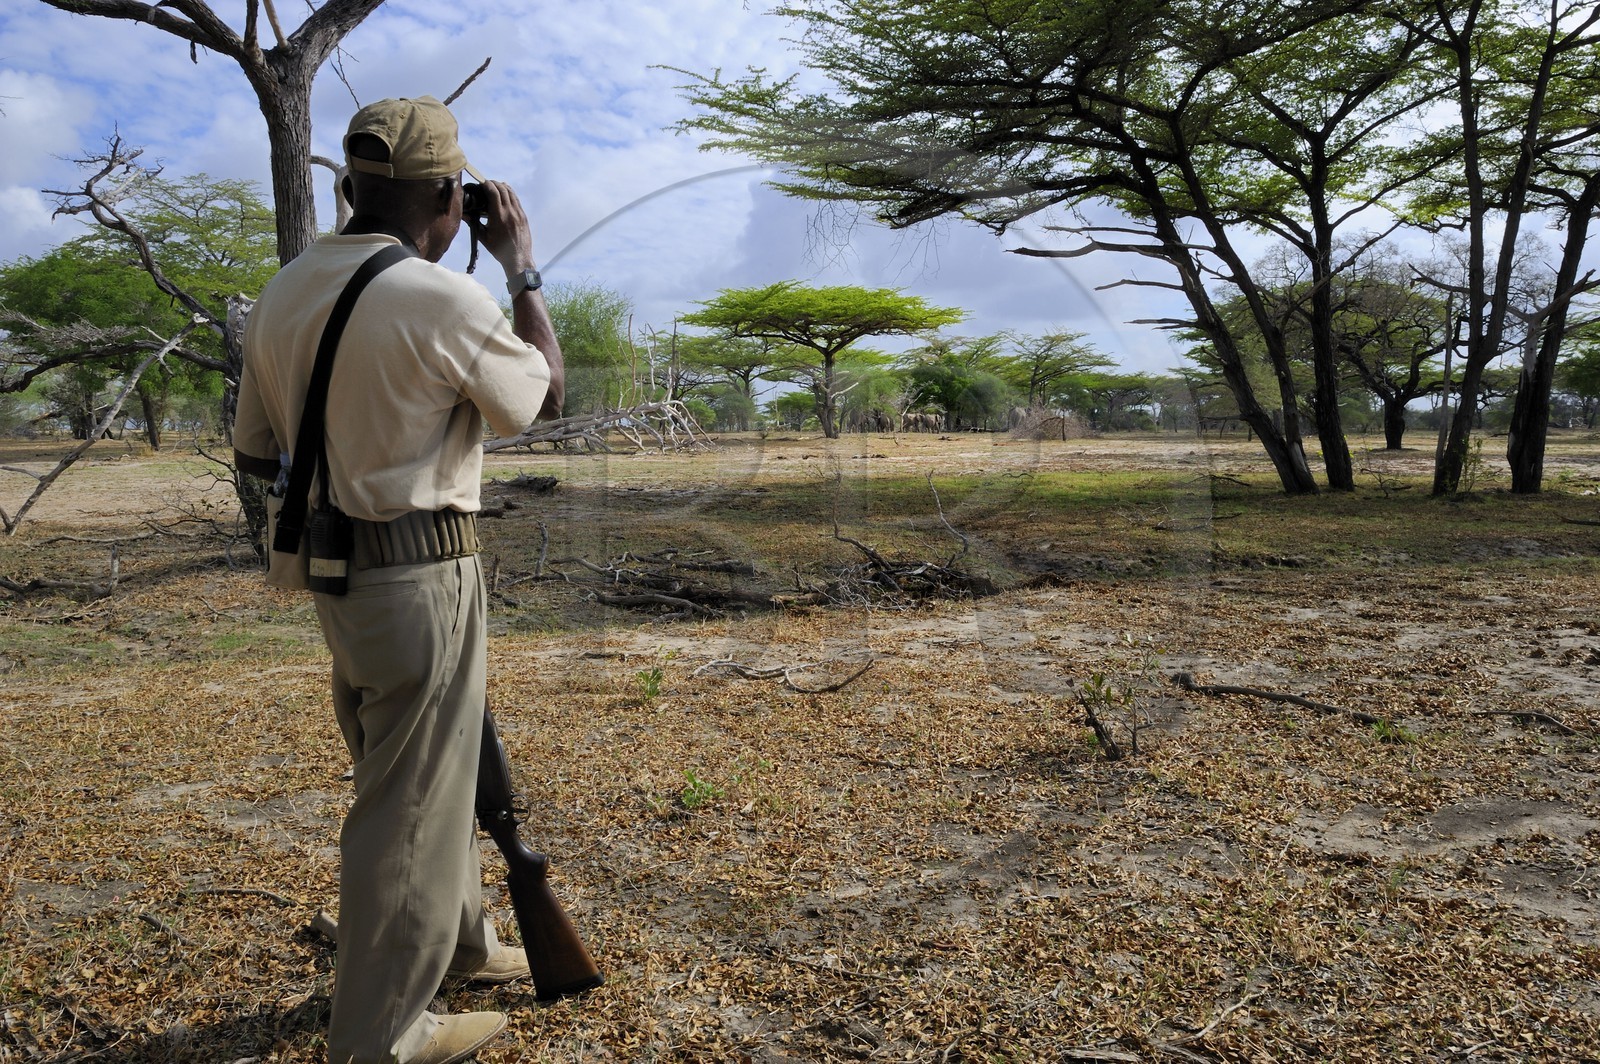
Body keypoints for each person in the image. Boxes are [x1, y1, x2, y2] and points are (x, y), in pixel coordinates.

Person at [234, 95, 564, 1064]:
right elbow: (541, 398)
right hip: (424, 571)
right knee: (407, 801)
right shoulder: (442, 295)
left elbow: (256, 450)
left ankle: (462, 940)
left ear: (349, 186)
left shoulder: (283, 292)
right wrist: (521, 269)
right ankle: (381, 1033)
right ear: (447, 196)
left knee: (423, 767)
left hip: (333, 576)